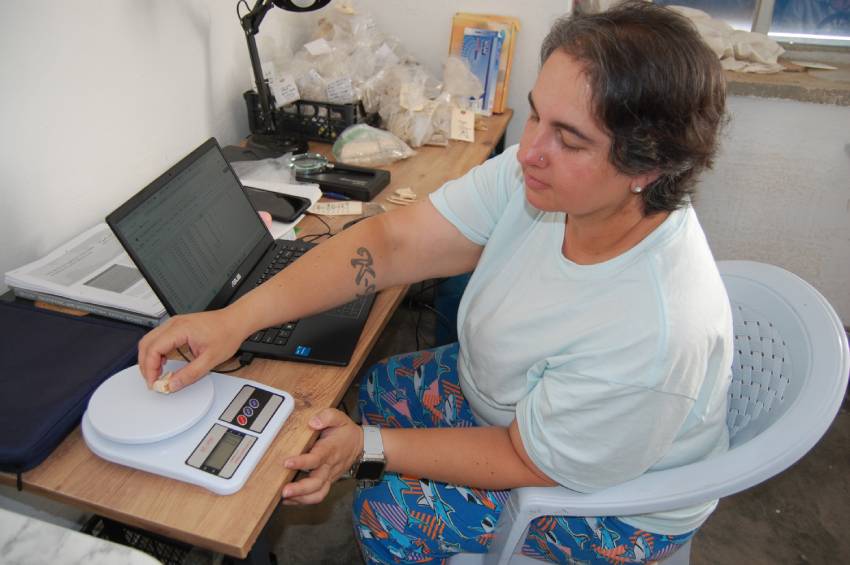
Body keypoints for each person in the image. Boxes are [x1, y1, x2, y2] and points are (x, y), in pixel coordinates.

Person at [138, 2, 732, 563]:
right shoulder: (547, 182)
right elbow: (391, 244)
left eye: (569, 139)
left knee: (386, 511)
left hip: (609, 500)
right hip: (522, 406)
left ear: (648, 167)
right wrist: (236, 318)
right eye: (535, 115)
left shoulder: (652, 327)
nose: (529, 151)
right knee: (379, 386)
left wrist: (369, 448)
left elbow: (529, 460)